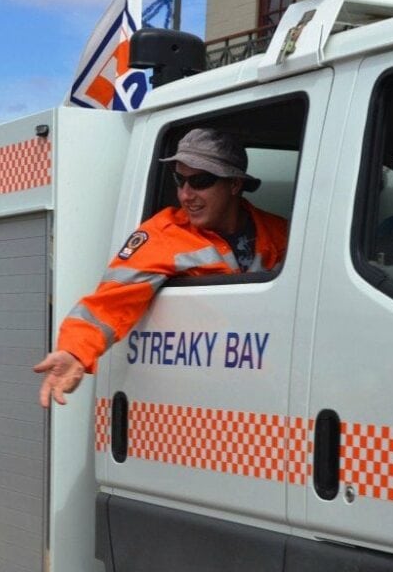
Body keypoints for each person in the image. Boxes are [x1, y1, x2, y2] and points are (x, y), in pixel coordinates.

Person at [33, 127, 289, 408]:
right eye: (179, 180)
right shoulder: (163, 235)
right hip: (202, 401)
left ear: (234, 184)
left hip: (270, 393)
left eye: (200, 181)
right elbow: (108, 303)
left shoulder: (279, 232)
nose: (185, 195)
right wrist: (74, 352)